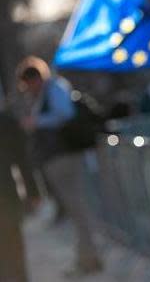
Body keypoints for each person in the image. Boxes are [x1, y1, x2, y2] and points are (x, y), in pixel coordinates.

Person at [16, 56, 103, 278]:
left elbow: (65, 114)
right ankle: (87, 257)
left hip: (63, 156)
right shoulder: (44, 93)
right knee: (75, 209)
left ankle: (89, 258)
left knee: (77, 208)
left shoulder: (53, 89)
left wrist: (38, 122)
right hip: (55, 157)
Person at [0, 107, 30, 282]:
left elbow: (22, 158)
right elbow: (22, 158)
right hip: (7, 193)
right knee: (13, 244)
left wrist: (32, 190)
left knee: (12, 243)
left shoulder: (6, 122)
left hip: (6, 194)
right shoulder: (6, 121)